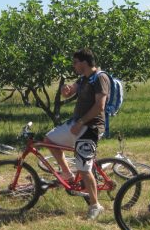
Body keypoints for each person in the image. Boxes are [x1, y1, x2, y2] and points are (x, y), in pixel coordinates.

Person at [44, 48, 110, 220]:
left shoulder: (100, 78)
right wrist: (67, 91)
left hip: (90, 128)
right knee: (49, 140)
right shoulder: (84, 78)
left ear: (84, 62)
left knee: (84, 168)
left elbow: (99, 106)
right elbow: (71, 90)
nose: (73, 66)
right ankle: (67, 175)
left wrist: (81, 122)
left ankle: (95, 206)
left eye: (75, 62)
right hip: (76, 124)